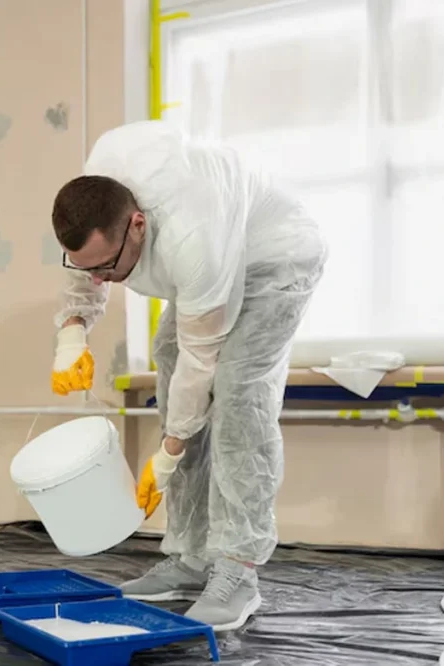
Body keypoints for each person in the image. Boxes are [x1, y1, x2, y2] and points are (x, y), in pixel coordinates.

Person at [49, 120, 327, 631]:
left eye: (106, 269)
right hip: (217, 251)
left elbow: (204, 363)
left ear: (136, 225)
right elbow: (85, 266)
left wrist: (170, 451)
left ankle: (237, 570)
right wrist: (72, 333)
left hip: (274, 257)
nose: (97, 279)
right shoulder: (96, 193)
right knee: (168, 358)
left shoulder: (192, 237)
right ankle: (191, 558)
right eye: (83, 265)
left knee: (239, 392)